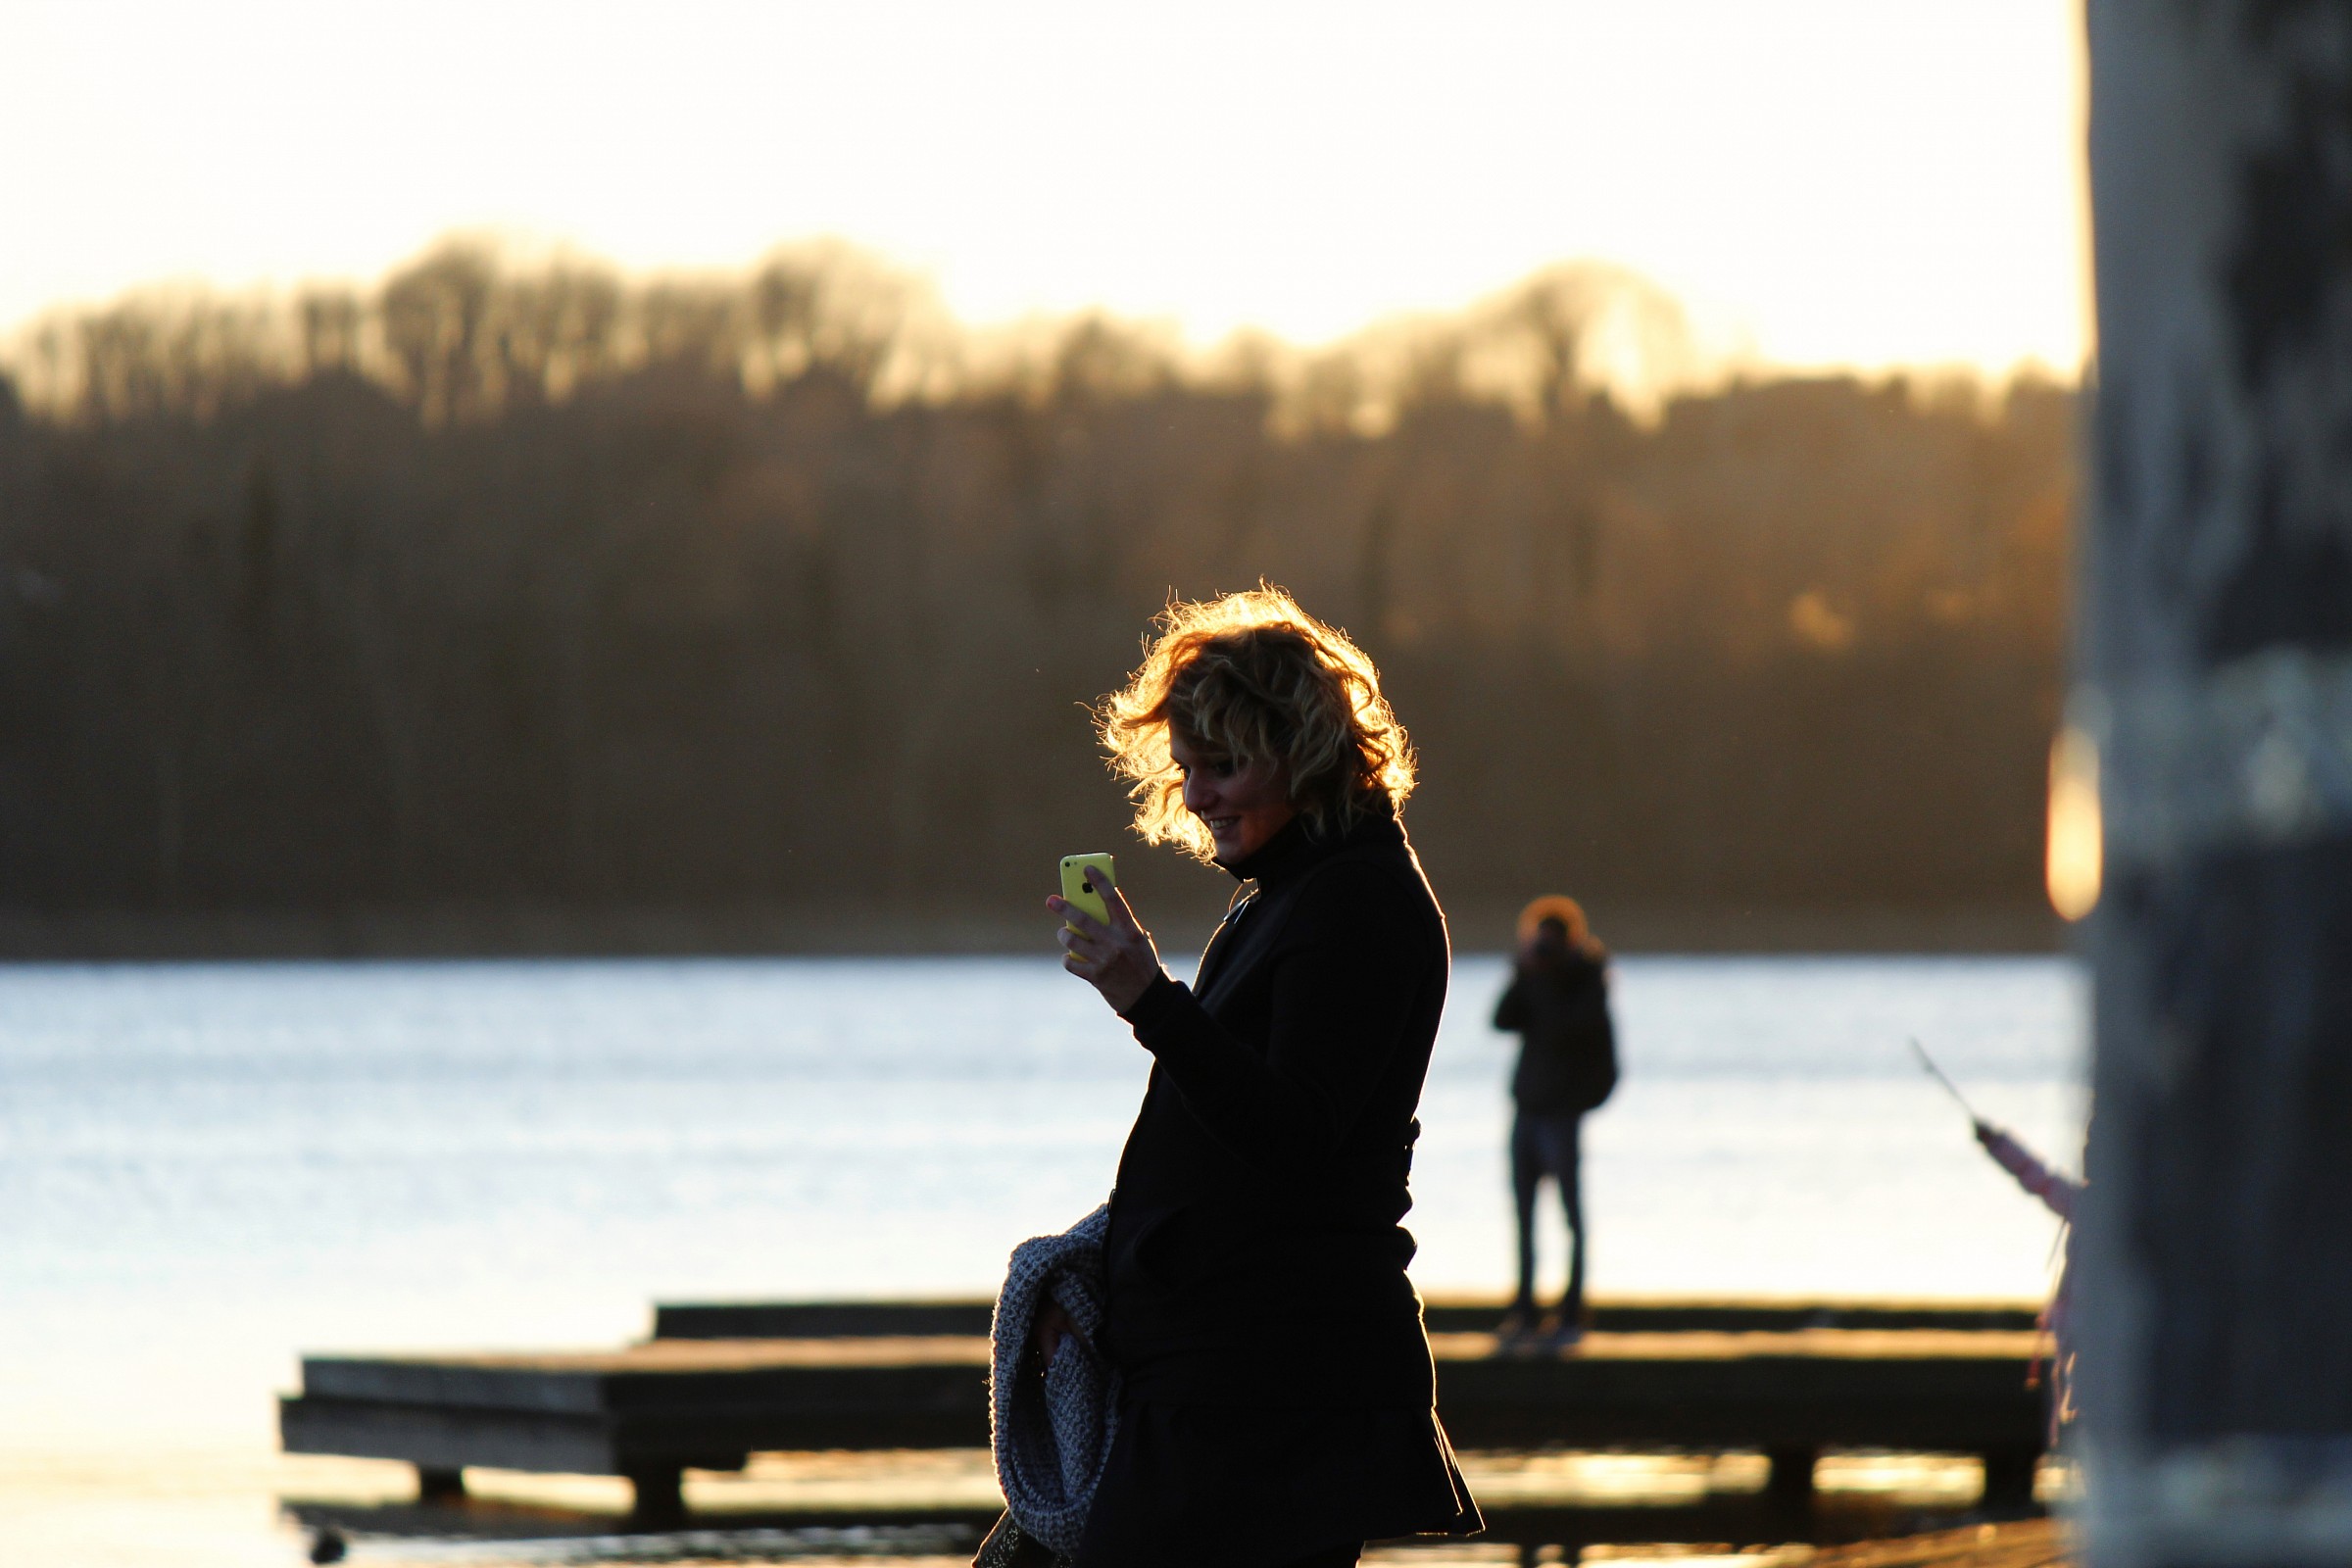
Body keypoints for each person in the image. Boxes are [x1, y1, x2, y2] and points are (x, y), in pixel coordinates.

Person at [1042, 586, 1482, 1568]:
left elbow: (1293, 1137)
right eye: (1189, 769)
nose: (1197, 796)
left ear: (1308, 752)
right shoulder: (1289, 893)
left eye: (1225, 766)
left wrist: (1150, 1000)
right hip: (1221, 1388)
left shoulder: (1356, 902)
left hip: (1273, 1399)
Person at [1492, 896, 1616, 1346]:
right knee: (1523, 1215)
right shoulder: (1533, 976)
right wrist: (1522, 973)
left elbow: (1580, 1033)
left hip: (1562, 1114)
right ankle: (1524, 1310)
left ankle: (1571, 1311)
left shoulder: (1587, 980)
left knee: (1570, 1216)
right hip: (1527, 1111)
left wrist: (1547, 979)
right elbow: (1501, 1020)